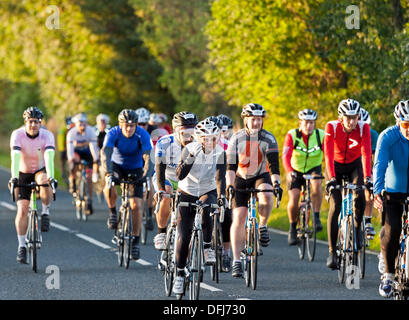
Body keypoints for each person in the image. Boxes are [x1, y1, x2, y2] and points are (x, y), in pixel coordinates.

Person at [226, 103, 282, 278]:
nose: (257, 123)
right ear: (246, 121)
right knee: (239, 217)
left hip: (260, 175)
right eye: (253, 120)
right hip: (240, 178)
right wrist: (229, 186)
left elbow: (273, 166)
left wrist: (277, 185)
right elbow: (230, 167)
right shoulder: (236, 138)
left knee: (267, 193)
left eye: (259, 119)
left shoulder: (269, 138)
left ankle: (263, 225)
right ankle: (236, 260)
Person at [172, 118, 226, 295]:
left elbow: (220, 178)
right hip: (186, 191)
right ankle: (179, 274)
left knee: (209, 207)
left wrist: (222, 196)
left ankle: (207, 245)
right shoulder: (189, 149)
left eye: (212, 138)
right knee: (184, 235)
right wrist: (191, 157)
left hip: (207, 190)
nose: (209, 142)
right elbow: (180, 175)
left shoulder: (220, 152)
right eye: (204, 138)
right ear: (198, 138)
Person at [324, 99, 372, 269]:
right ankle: (331, 251)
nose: (352, 121)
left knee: (360, 196)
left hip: (354, 165)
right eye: (348, 117)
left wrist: (368, 178)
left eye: (355, 117)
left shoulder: (362, 127)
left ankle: (357, 228)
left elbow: (366, 153)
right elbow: (328, 155)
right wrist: (330, 180)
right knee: (336, 205)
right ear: (341, 117)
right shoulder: (332, 127)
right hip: (335, 167)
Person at [101, 109, 153, 261]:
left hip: (135, 168)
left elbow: (148, 157)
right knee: (109, 183)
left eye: (132, 126)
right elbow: (106, 153)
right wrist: (109, 172)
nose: (129, 129)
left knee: (136, 205)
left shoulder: (142, 134)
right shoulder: (113, 133)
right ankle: (112, 213)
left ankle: (135, 241)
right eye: (126, 125)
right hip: (117, 166)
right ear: (120, 125)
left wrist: (145, 176)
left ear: (136, 125)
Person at [9, 107, 57, 264]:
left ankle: (45, 213)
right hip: (22, 172)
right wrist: (14, 178)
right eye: (30, 122)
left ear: (40, 123)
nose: (33, 125)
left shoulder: (47, 135)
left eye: (36, 122)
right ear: (25, 122)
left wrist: (51, 177)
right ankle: (21, 246)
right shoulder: (17, 135)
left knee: (44, 180)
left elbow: (49, 156)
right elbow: (15, 157)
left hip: (39, 170)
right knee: (22, 210)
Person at [373, 100, 409, 298]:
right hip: (393, 190)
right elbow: (380, 164)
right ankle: (388, 275)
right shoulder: (388, 136)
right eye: (406, 124)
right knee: (393, 228)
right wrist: (377, 191)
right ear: (398, 122)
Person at [152, 111, 198, 251]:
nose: (189, 136)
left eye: (193, 132)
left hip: (188, 180)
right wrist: (160, 190)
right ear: (176, 130)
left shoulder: (199, 143)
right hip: (166, 177)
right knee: (166, 193)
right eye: (185, 132)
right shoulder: (165, 142)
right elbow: (159, 168)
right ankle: (161, 233)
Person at [282, 109, 324, 246]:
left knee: (317, 185)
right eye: (306, 122)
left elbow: (329, 155)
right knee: (294, 198)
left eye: (312, 123)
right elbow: (285, 155)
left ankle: (316, 217)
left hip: (314, 168)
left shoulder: (321, 135)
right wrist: (289, 171)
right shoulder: (292, 135)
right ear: (300, 123)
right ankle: (293, 228)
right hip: (296, 169)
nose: (309, 126)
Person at [66, 112, 99, 215]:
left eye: (84, 124)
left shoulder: (91, 131)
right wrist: (71, 159)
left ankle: (89, 199)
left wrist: (96, 159)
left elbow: (94, 147)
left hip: (88, 152)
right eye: (80, 124)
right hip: (76, 152)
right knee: (74, 163)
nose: (82, 126)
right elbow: (70, 149)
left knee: (88, 177)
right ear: (76, 124)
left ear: (87, 124)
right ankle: (72, 181)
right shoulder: (71, 133)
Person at [215, 114, 234, 272]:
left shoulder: (228, 145)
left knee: (227, 216)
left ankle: (227, 252)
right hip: (207, 184)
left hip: (224, 181)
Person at [359, 107, 378, 239]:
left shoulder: (373, 135)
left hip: (366, 169)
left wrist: (374, 177)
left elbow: (376, 158)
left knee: (369, 190)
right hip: (349, 168)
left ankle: (367, 221)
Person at [57, 116, 74, 184]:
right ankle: (63, 171)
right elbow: (60, 140)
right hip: (64, 148)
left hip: (72, 147)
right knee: (63, 159)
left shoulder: (73, 128)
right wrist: (62, 149)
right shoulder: (63, 129)